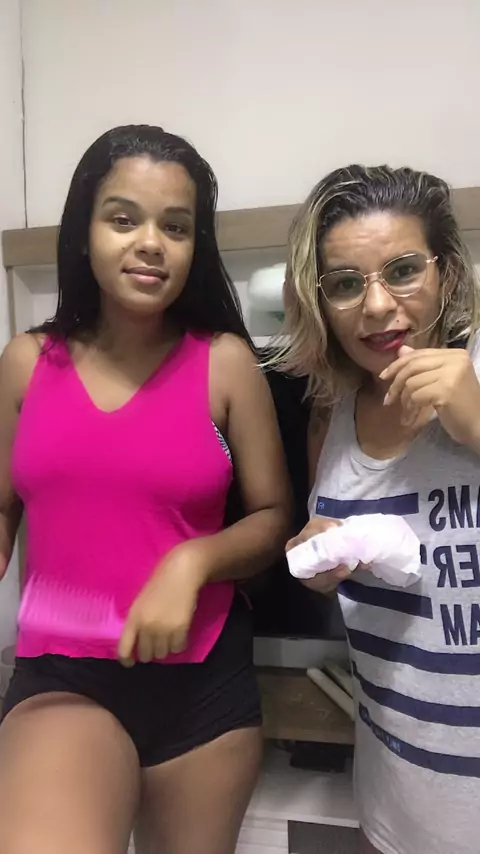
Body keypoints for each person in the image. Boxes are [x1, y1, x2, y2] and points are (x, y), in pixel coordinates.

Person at [0, 124, 291, 854]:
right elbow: (2, 503)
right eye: (124, 219)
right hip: (60, 676)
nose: (151, 243)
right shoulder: (26, 363)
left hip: (201, 690)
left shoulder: (226, 363)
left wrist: (192, 562)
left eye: (176, 226)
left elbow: (273, 516)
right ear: (84, 232)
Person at [276, 164, 480, 854]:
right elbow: (335, 550)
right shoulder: (330, 413)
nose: (376, 305)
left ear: (447, 273)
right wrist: (315, 557)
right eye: (344, 283)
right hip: (398, 801)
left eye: (403, 271)